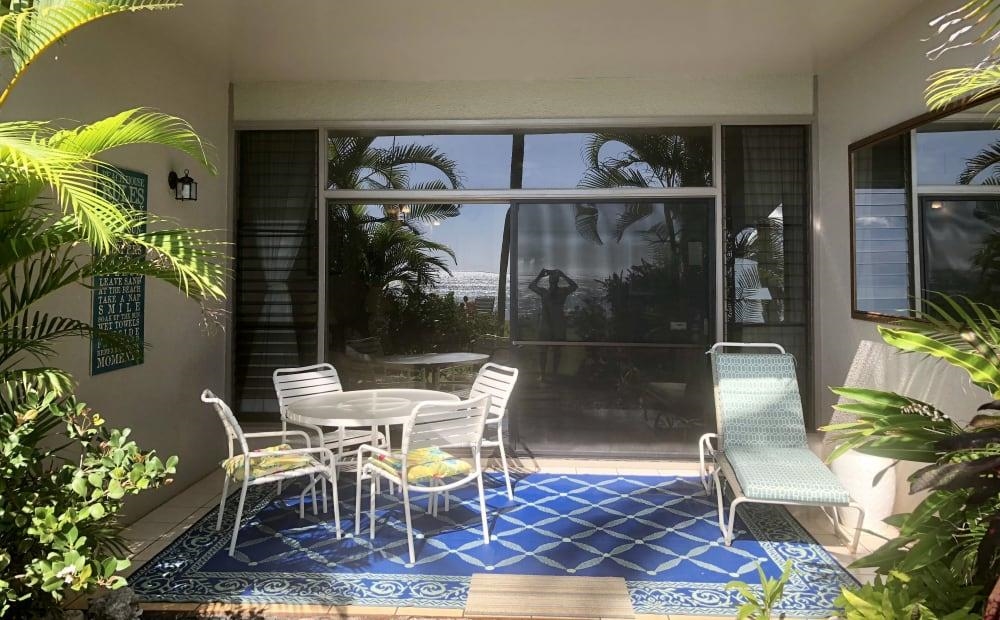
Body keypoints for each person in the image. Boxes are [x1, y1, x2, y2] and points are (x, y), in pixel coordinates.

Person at [529, 268, 578, 377]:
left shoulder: (544, 292)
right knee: (555, 351)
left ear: (549, 281)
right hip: (557, 325)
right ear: (558, 280)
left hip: (547, 325)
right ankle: (553, 374)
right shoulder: (562, 292)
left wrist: (540, 275)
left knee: (544, 351)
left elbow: (531, 286)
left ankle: (543, 375)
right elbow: (575, 286)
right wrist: (563, 275)